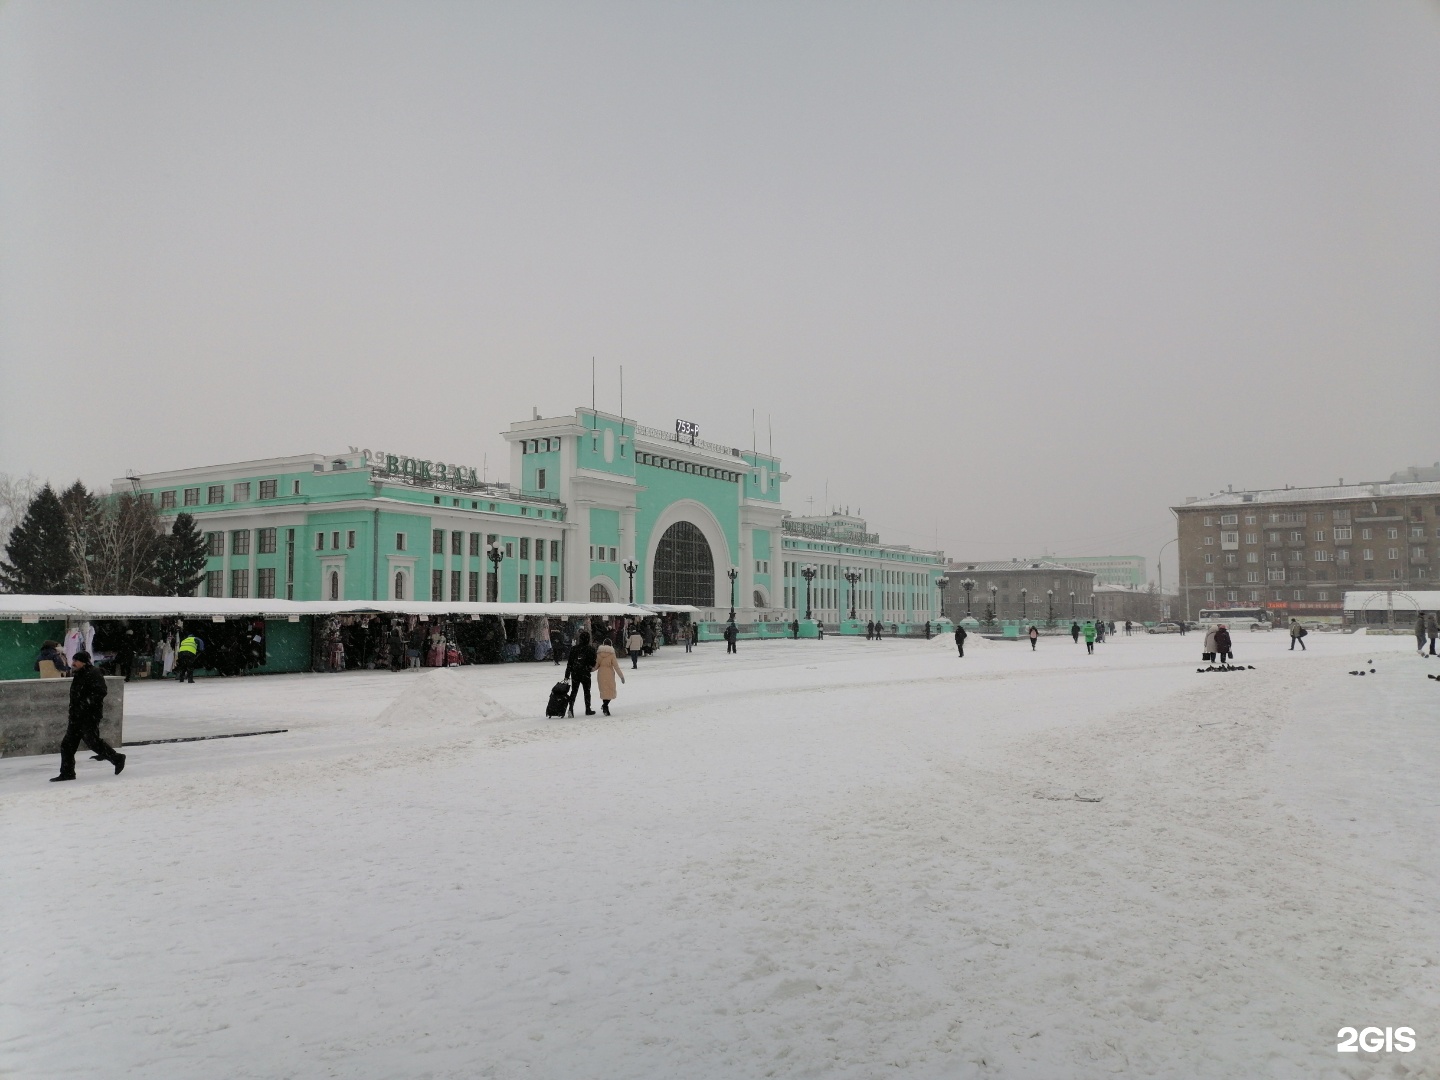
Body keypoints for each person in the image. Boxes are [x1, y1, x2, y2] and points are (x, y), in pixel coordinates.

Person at [50, 652, 125, 782]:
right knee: (67, 745)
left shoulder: (93, 673)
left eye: (76, 661)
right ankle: (67, 773)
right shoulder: (79, 674)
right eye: (73, 660)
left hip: (88, 715)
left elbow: (101, 691)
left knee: (93, 742)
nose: (73, 663)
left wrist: (86, 704)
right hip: (76, 716)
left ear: (84, 662)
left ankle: (117, 758)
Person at [565, 631, 597, 717]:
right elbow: (593, 663)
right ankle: (588, 709)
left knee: (574, 691)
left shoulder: (574, 649)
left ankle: (570, 708)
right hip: (585, 672)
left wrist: (567, 675)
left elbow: (570, 663)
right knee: (587, 691)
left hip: (575, 672)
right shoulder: (590, 649)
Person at [594, 635, 625, 716]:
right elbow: (616, 667)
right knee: (610, 690)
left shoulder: (599, 653)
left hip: (601, 674)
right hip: (609, 673)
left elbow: (596, 665)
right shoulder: (612, 654)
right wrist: (621, 676)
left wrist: (589, 670)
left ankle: (604, 706)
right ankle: (605, 706)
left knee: (604, 691)